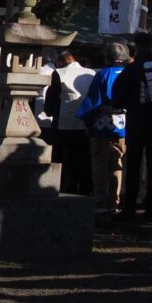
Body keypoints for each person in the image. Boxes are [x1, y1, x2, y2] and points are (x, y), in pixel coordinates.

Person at [113, 32, 152, 221]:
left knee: (134, 165)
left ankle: (130, 208)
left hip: (137, 120)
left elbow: (118, 95)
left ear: (136, 46)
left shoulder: (133, 68)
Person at [76, 41, 130, 215]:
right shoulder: (130, 73)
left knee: (100, 163)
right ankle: (115, 201)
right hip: (125, 125)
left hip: (102, 124)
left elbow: (92, 102)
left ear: (108, 57)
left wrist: (88, 122)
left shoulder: (103, 75)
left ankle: (101, 200)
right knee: (118, 162)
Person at [44, 48, 95, 196]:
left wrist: (48, 111)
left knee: (61, 159)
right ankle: (85, 190)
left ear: (59, 62)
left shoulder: (59, 73)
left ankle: (61, 187)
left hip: (64, 123)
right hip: (85, 122)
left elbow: (52, 97)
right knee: (83, 159)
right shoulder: (91, 73)